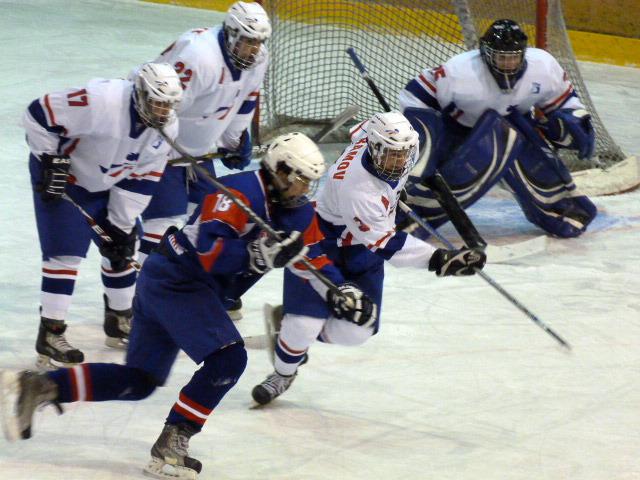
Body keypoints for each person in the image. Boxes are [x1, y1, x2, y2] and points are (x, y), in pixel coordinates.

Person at [0, 132, 372, 480]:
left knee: (140, 380)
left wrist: (340, 289)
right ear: (280, 170)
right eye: (301, 180)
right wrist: (256, 254)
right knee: (228, 359)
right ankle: (172, 442)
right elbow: (210, 251)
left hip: (176, 285)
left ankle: (41, 387)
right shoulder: (239, 192)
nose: (305, 190)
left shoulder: (297, 211)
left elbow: (312, 257)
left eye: (310, 182)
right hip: (177, 280)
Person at [251, 111, 487, 406]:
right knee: (302, 326)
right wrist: (441, 259)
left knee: (356, 330)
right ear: (374, 147)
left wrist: (395, 191)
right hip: (323, 243)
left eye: (403, 154)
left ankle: (291, 331)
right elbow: (386, 244)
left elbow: (362, 129)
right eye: (391, 155)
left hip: (361, 253)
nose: (399, 162)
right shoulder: (358, 189)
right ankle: (283, 372)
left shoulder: (383, 144)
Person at [23, 63, 183, 368]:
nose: (163, 112)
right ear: (140, 94)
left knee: (123, 245)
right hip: (66, 179)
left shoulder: (167, 128)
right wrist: (49, 158)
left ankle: (119, 319)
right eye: (158, 103)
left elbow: (143, 176)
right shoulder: (101, 101)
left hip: (107, 182)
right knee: (65, 254)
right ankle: (51, 333)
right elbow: (38, 113)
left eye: (169, 105)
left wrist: (121, 223)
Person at [398, 19, 597, 239]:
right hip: (458, 130)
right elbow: (416, 95)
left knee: (538, 169)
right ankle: (409, 215)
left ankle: (560, 210)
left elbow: (565, 101)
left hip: (514, 126)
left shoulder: (543, 66)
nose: (508, 63)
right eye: (502, 57)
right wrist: (423, 135)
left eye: (513, 57)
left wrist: (572, 121)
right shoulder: (460, 71)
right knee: (452, 179)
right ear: (486, 53)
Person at [136, 1, 272, 321]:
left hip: (195, 154)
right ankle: (140, 302)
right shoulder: (199, 57)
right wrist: (159, 153)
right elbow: (159, 108)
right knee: (160, 226)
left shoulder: (258, 58)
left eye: (258, 42)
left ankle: (201, 291)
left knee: (208, 219)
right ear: (230, 33)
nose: (253, 49)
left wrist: (233, 140)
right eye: (247, 41)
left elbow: (245, 99)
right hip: (161, 150)